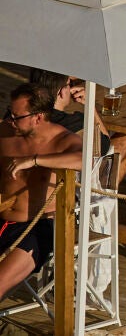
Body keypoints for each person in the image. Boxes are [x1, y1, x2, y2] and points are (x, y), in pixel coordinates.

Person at [0, 83, 83, 300]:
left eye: (16, 116)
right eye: (9, 113)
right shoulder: (6, 132)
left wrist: (35, 160)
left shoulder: (62, 141)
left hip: (36, 227)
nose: (10, 120)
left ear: (38, 117)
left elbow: (84, 160)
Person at [27, 69, 126, 186]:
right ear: (62, 92)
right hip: (69, 186)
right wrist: (90, 105)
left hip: (33, 177)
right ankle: (105, 194)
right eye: (70, 84)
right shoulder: (75, 123)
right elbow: (104, 146)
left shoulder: (22, 118)